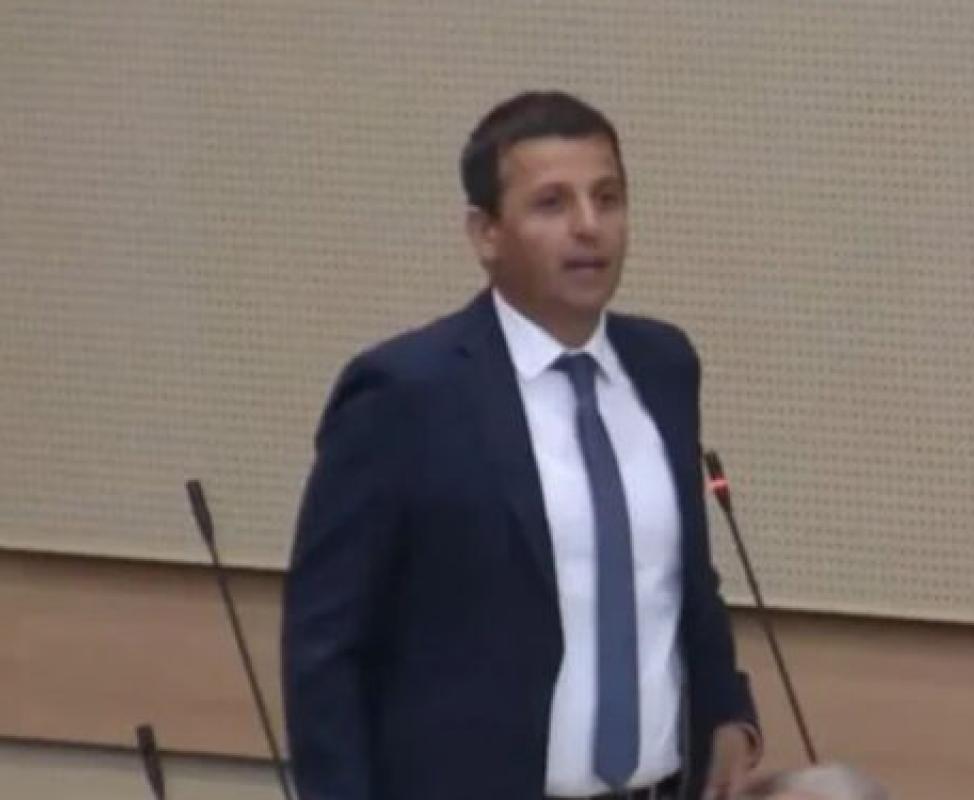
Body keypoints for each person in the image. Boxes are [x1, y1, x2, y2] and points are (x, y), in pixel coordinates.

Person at [282, 90, 764, 800]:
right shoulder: (406, 394)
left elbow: (681, 577)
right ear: (486, 234)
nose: (589, 227)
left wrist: (727, 709)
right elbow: (326, 647)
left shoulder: (664, 366)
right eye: (552, 204)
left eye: (608, 198)